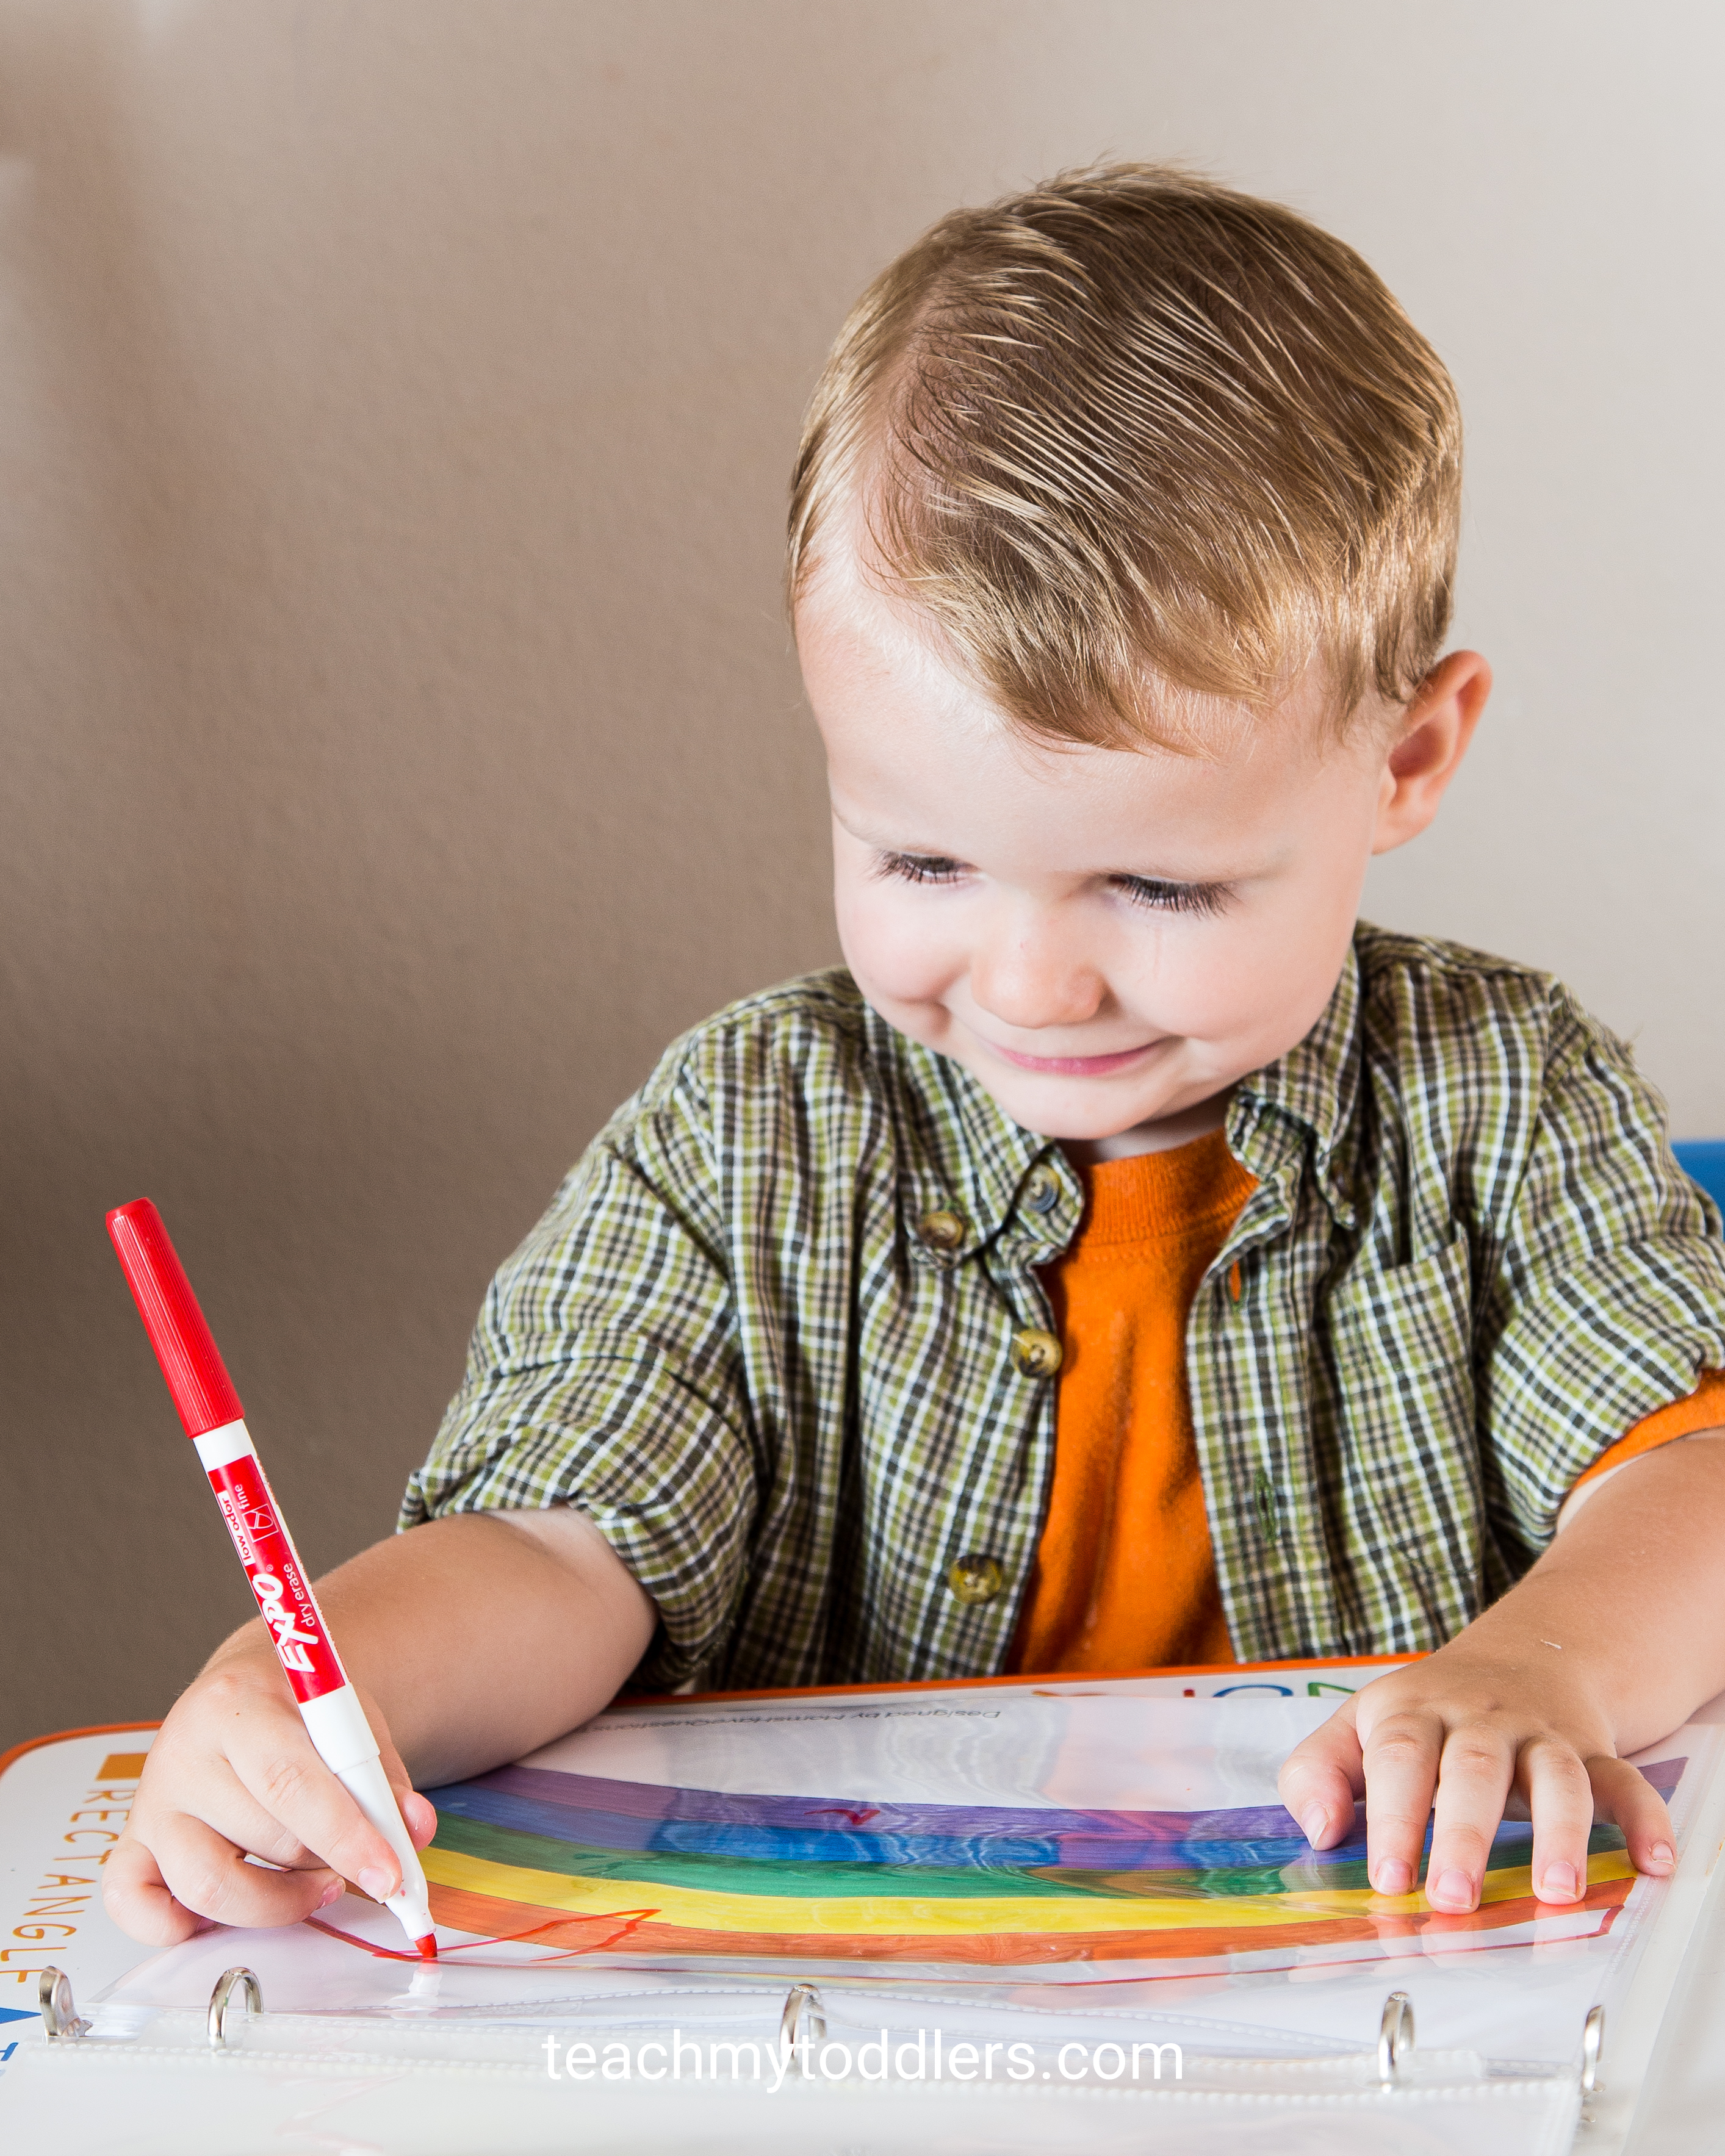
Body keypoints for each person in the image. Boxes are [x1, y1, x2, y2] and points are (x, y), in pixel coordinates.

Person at [107, 164, 1725, 1949]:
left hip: (1391, 2019)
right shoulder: (746, 1139)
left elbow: (1693, 1482)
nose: (1032, 985)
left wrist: (1538, 1671)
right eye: (923, 862)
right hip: (865, 2031)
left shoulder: (1502, 1092)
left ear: (1405, 761)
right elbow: (559, 1554)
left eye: (1160, 882)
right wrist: (312, 1685)